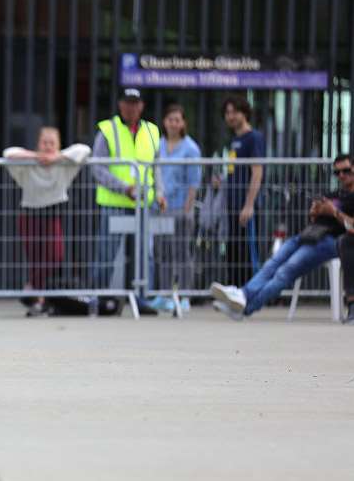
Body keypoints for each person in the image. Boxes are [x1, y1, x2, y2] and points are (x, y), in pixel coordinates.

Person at [211, 154, 354, 320]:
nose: (341, 176)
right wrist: (316, 212)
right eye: (337, 173)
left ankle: (244, 307)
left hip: (332, 241)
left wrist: (334, 212)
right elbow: (317, 218)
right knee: (271, 264)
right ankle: (242, 295)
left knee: (285, 272)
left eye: (346, 171)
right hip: (309, 235)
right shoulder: (335, 193)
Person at [91, 88, 165, 316]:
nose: (131, 107)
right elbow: (97, 167)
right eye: (127, 103)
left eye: (135, 103)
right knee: (106, 254)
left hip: (145, 204)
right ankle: (99, 299)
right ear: (120, 105)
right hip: (115, 202)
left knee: (146, 255)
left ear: (141, 106)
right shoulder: (107, 129)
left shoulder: (152, 131)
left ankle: (144, 299)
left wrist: (160, 192)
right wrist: (124, 188)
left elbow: (156, 166)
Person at [3, 126, 91, 316]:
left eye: (52, 143)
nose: (48, 147)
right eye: (45, 142)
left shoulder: (64, 165)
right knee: (35, 260)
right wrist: (35, 156)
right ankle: (38, 300)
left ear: (58, 146)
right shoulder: (28, 165)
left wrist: (56, 157)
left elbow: (84, 150)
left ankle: (31, 289)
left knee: (54, 256)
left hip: (53, 213)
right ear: (38, 144)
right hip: (29, 214)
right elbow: (8, 153)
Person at [150, 104, 201, 312]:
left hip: (181, 208)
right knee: (163, 253)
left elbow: (193, 182)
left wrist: (187, 210)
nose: (173, 123)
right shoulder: (158, 145)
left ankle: (185, 295)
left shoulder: (191, 148)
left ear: (183, 123)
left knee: (182, 254)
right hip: (161, 208)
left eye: (177, 120)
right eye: (170, 119)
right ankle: (164, 293)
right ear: (164, 122)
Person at [222, 95, 265, 287]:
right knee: (233, 249)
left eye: (235, 112)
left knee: (248, 251)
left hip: (246, 206)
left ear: (245, 113)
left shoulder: (254, 137)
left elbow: (257, 172)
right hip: (232, 204)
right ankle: (234, 290)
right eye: (227, 113)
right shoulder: (234, 140)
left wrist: (249, 205)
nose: (230, 116)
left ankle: (251, 291)